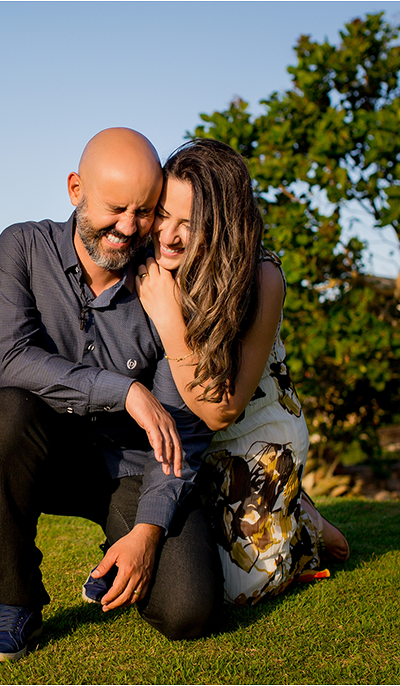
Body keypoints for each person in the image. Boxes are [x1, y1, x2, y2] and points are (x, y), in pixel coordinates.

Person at [0, 128, 222, 662]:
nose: (129, 228)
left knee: (189, 610)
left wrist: (148, 532)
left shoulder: (167, 285)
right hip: (48, 459)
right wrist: (123, 389)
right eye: (115, 208)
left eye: (146, 211)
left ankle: (120, 543)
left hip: (131, 466)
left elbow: (181, 424)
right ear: (75, 188)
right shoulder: (21, 247)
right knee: (1, 411)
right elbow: (11, 361)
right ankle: (15, 602)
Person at [136, 138, 350, 605]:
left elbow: (223, 411)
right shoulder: (149, 258)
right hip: (191, 439)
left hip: (254, 428)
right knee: (191, 572)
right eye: (162, 214)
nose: (167, 235)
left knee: (240, 590)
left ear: (219, 225)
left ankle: (303, 529)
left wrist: (171, 321)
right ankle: (290, 508)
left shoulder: (261, 276)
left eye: (187, 225)